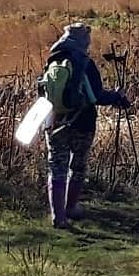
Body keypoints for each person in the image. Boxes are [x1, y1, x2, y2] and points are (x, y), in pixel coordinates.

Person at [43, 23, 129, 228]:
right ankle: (71, 208)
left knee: (56, 167)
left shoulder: (53, 60)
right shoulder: (84, 63)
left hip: (54, 121)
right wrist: (116, 96)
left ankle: (58, 217)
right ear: (84, 41)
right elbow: (96, 96)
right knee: (78, 166)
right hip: (82, 122)